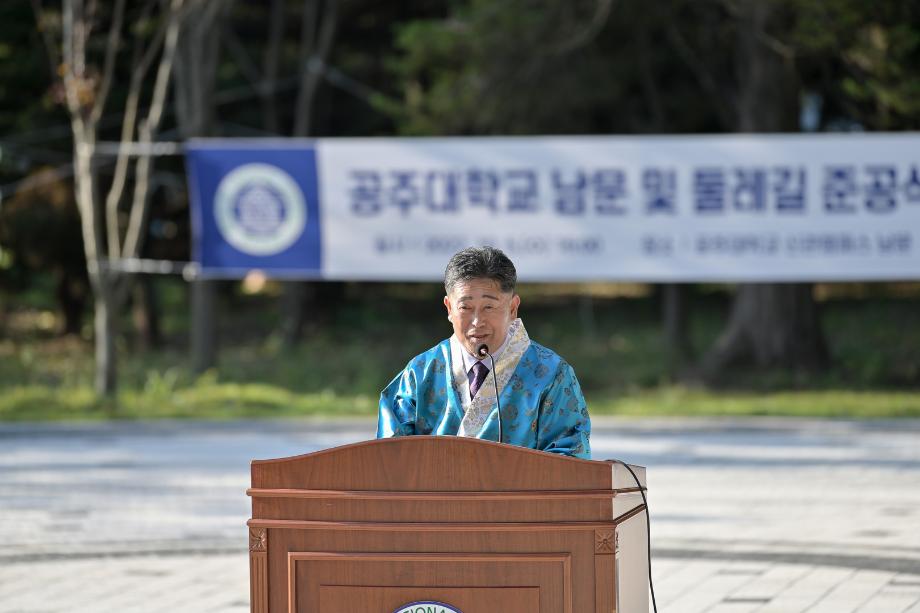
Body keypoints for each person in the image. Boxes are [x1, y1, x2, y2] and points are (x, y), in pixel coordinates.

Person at [377, 246, 591, 459]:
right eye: (465, 308)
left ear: (513, 308)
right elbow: (390, 458)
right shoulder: (419, 373)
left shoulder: (551, 374)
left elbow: (569, 459)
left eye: (489, 307)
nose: (477, 322)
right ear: (449, 308)